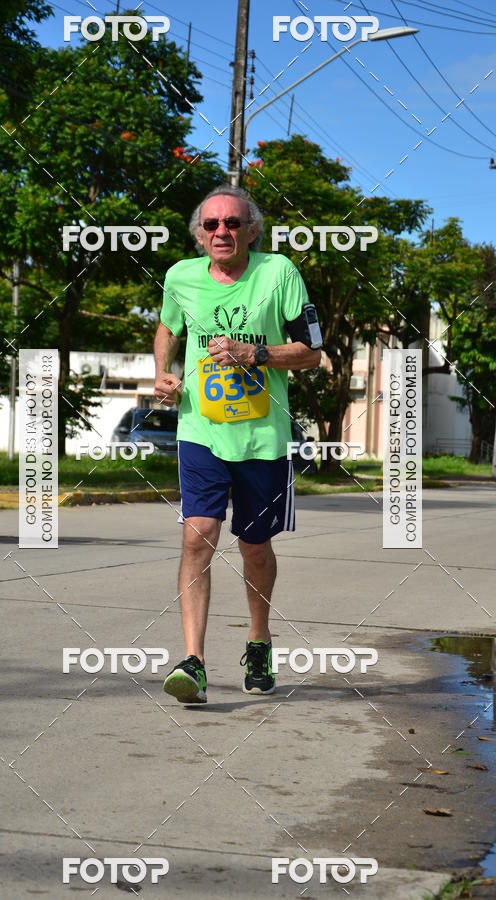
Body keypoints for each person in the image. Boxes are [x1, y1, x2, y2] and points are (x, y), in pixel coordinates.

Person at [154, 185, 322, 704]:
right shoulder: (181, 276)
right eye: (211, 225)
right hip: (200, 430)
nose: (221, 232)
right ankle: (194, 662)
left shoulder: (279, 274)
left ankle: (258, 639)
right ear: (199, 235)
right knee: (196, 535)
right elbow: (167, 327)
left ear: (252, 230)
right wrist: (161, 371)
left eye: (232, 223)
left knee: (254, 547)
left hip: (262, 439)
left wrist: (258, 353)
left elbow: (313, 353)